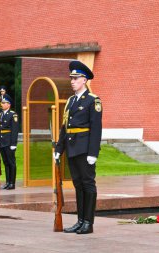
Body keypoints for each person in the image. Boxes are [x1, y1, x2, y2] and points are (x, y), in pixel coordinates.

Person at [54, 60, 102, 234]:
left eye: (75, 78)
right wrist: (59, 149)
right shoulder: (70, 101)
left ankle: (88, 222)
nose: (72, 81)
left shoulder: (93, 100)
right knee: (78, 185)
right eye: (71, 78)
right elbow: (64, 126)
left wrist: (93, 152)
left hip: (85, 148)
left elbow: (96, 128)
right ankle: (80, 220)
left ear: (84, 80)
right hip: (73, 148)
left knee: (88, 184)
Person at [0, 94, 19, 190]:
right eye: (2, 103)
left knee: (11, 162)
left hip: (9, 142)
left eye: (4, 103)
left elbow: (14, 130)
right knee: (5, 163)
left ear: (9, 104)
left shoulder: (12, 114)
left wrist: (13, 144)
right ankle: (7, 182)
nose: (2, 104)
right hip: (2, 142)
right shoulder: (0, 115)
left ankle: (12, 183)